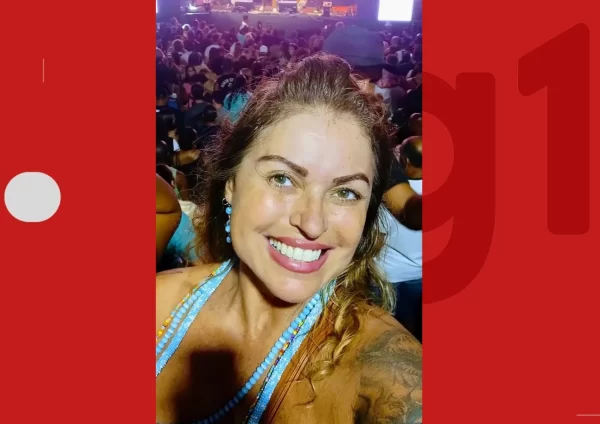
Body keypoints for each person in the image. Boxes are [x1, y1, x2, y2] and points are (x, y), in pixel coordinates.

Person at [156, 54, 422, 424]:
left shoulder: (383, 369)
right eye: (282, 178)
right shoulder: (158, 301)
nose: (312, 223)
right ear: (231, 184)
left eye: (346, 193)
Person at [378, 136, 423, 341]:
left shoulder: (389, 196)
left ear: (405, 161)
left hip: (388, 275)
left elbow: (378, 239)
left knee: (386, 323)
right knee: (413, 321)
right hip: (419, 275)